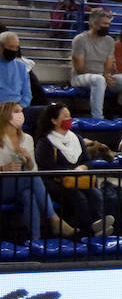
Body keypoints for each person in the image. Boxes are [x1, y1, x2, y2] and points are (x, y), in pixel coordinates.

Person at [34, 103, 114, 236]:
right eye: (65, 116)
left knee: (95, 194)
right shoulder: (45, 142)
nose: (69, 119)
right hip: (56, 182)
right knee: (79, 197)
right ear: (54, 120)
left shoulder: (76, 138)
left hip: (79, 178)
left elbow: (88, 160)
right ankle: (86, 231)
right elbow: (46, 167)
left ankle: (98, 224)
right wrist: (68, 172)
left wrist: (82, 167)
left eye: (70, 116)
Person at [0, 100, 67, 239]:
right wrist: (3, 168)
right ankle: (54, 219)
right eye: (16, 112)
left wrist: (29, 160)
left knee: (29, 194)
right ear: (6, 115)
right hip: (2, 185)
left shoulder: (27, 139)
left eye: (21, 111)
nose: (21, 114)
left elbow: (33, 169)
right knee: (30, 179)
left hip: (20, 183)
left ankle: (34, 241)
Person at [69, 10, 117, 119]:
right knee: (98, 79)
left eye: (109, 24)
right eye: (104, 24)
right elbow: (79, 68)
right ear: (93, 24)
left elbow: (108, 66)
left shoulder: (109, 41)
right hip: (79, 77)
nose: (107, 26)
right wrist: (102, 76)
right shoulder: (80, 40)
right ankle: (97, 118)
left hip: (101, 76)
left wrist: (107, 75)